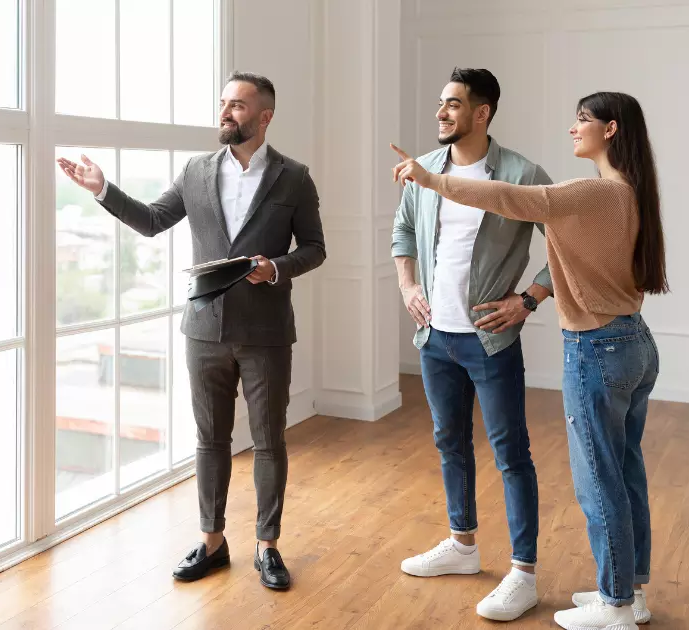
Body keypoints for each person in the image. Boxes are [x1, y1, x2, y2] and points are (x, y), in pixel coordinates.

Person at [392, 91, 668, 630]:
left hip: (597, 348)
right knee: (625, 471)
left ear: (610, 130)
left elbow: (512, 198)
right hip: (631, 341)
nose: (572, 128)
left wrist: (434, 181)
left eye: (582, 120)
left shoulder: (593, 193)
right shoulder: (626, 192)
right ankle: (630, 595)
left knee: (599, 481)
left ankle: (614, 607)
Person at [58, 72, 325, 591]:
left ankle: (267, 546)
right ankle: (212, 541)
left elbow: (314, 248)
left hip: (266, 331)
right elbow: (154, 219)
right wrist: (102, 190)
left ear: (265, 116)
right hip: (204, 331)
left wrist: (275, 269)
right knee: (210, 440)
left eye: (239, 105)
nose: (226, 112)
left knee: (269, 440)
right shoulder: (196, 171)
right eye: (224, 102)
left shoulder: (294, 177)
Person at [390, 67, 553, 623]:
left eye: (453, 104)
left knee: (512, 454)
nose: (441, 112)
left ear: (482, 113)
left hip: (492, 341)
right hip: (435, 339)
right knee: (449, 442)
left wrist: (528, 299)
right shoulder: (426, 169)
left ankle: (524, 573)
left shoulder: (521, 173)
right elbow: (403, 232)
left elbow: (568, 241)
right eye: (441, 103)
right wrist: (409, 284)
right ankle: (462, 545)